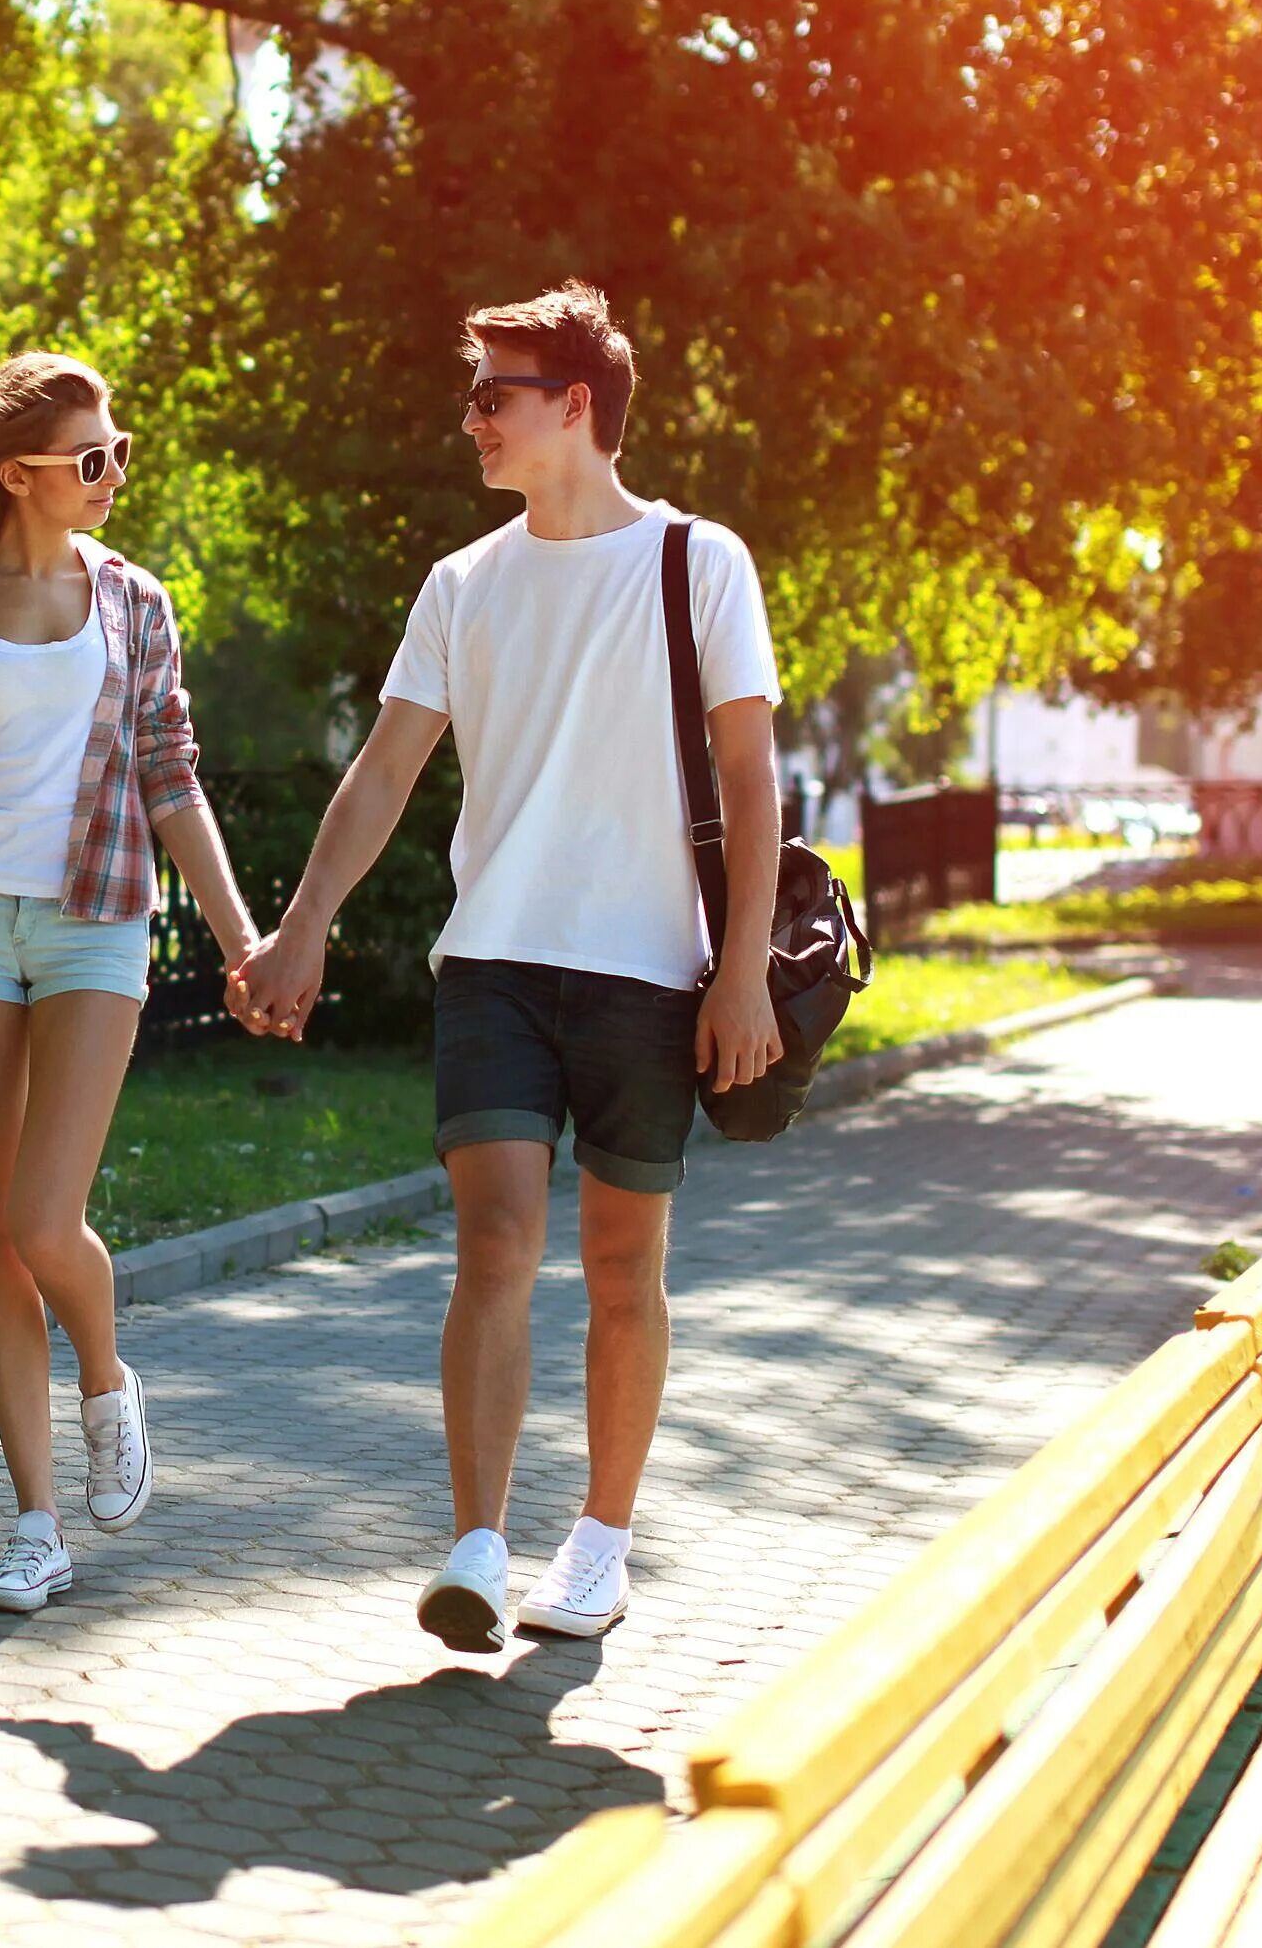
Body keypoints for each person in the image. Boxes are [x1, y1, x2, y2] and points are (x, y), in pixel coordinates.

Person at [229, 282, 784, 1651]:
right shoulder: (463, 584)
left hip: (652, 969)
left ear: (575, 405)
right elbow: (385, 771)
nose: (472, 418)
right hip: (493, 960)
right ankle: (477, 1542)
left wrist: (745, 970)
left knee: (619, 1261)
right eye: (472, 396)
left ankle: (599, 1540)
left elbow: (752, 776)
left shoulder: (695, 561)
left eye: (497, 394)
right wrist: (303, 923)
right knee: (493, 1243)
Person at [0, 352, 260, 1614]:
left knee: (41, 1216)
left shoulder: (136, 603)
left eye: (120, 450)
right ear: (19, 473)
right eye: (91, 457)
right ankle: (34, 1524)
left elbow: (172, 777)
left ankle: (110, 1380)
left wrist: (242, 936)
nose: (114, 472)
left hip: (92, 931)